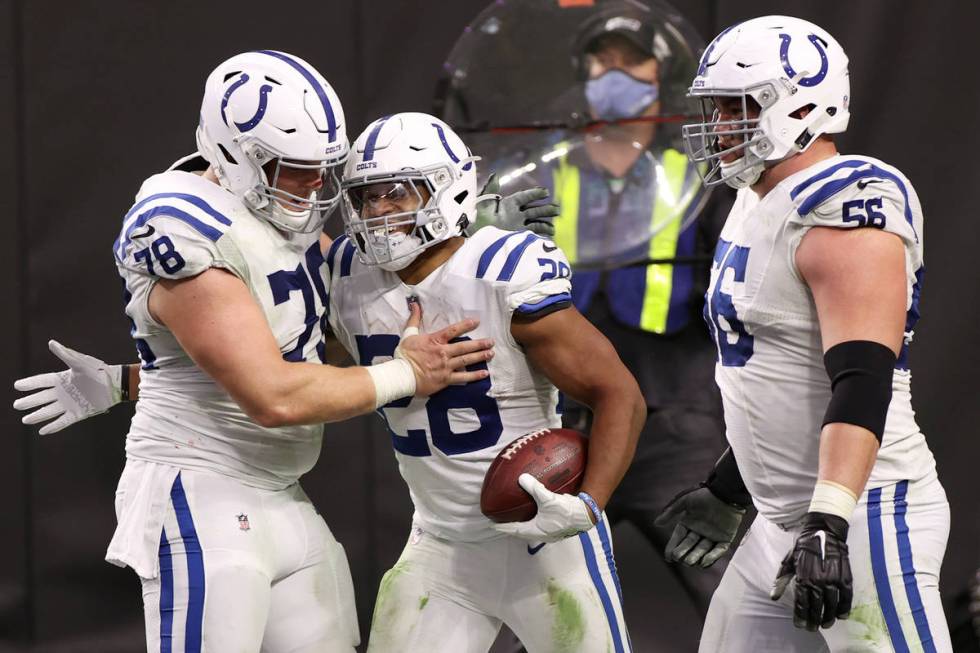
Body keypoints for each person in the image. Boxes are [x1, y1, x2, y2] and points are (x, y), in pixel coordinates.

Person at [14, 51, 495, 653]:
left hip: (280, 490)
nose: (314, 184)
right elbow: (273, 394)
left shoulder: (277, 214)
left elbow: (305, 340)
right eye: (293, 168)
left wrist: (464, 239)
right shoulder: (182, 226)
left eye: (323, 167)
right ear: (234, 154)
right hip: (201, 489)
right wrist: (407, 373)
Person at [656, 15, 952, 651]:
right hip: (782, 518)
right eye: (714, 109)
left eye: (735, 108)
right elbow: (778, 372)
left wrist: (828, 523)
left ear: (799, 104)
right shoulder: (755, 197)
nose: (717, 127)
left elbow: (861, 380)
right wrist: (731, 488)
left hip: (864, 512)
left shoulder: (849, 204)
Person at [330, 111, 645, 652]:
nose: (378, 212)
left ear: (448, 192)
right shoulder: (346, 275)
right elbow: (307, 372)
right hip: (440, 543)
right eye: (367, 197)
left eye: (397, 194)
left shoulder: (502, 271)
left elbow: (620, 394)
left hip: (544, 542)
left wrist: (587, 505)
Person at [533, 3, 731, 612]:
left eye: (631, 61)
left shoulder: (704, 178)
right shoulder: (543, 175)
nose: (614, 73)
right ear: (583, 73)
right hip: (566, 428)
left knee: (733, 601)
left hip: (677, 429)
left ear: (659, 75)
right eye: (603, 61)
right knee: (528, 603)